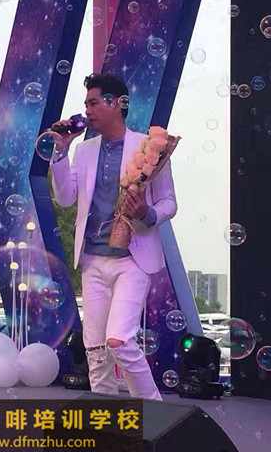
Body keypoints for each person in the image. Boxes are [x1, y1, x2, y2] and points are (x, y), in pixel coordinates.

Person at [49, 73, 177, 401]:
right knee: (95, 350)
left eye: (93, 103)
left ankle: (154, 413)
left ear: (116, 103)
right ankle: (105, 421)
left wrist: (146, 213)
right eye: (86, 104)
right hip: (93, 259)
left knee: (119, 341)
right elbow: (65, 198)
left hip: (132, 259)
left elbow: (169, 203)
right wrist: (61, 152)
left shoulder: (149, 148)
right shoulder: (84, 150)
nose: (87, 110)